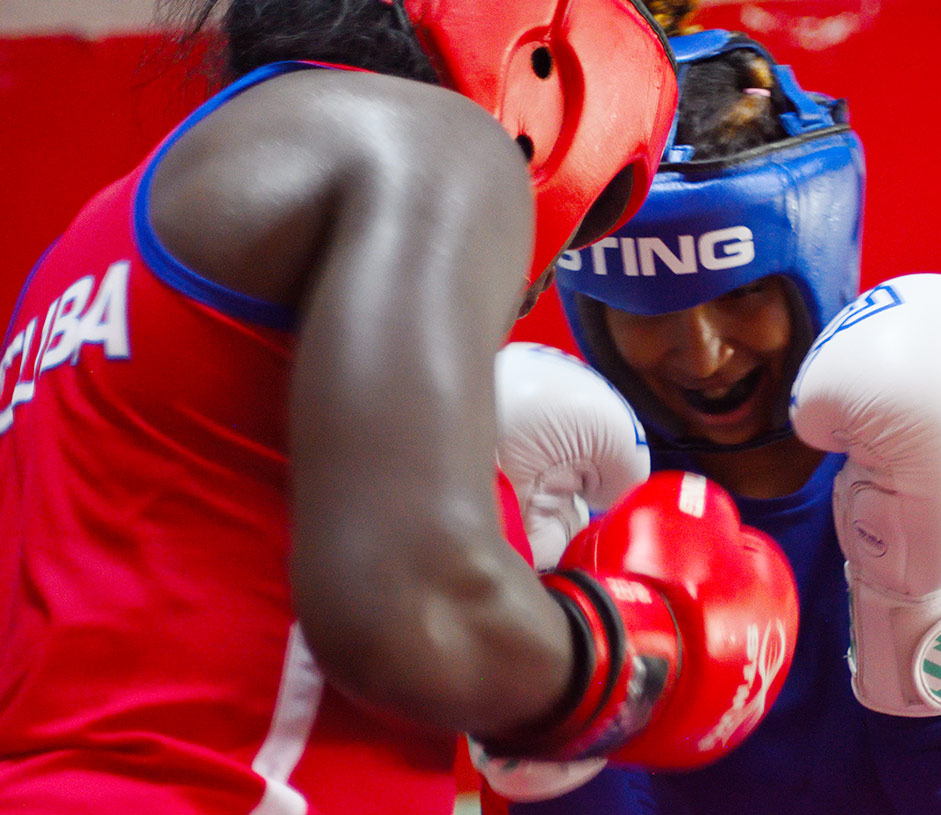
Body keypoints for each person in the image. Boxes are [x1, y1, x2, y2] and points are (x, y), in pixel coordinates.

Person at [0, 2, 803, 813]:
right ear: (542, 56)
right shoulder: (434, 142)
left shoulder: (85, 245)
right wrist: (642, 650)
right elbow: (414, 609)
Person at [500, 27, 941, 815]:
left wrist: (925, 604)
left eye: (741, 295)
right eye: (649, 309)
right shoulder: (558, 466)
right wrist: (546, 699)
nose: (701, 355)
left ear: (809, 262)